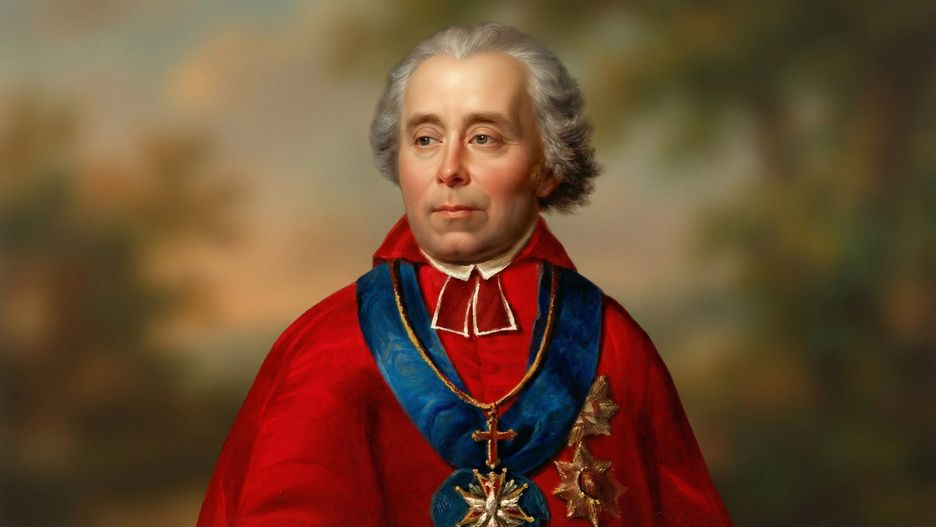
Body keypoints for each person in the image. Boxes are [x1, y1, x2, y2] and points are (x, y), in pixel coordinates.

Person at [197, 23, 731, 527]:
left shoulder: (614, 342)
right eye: (425, 139)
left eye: (484, 138)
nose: (449, 169)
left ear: (547, 167)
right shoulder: (326, 348)